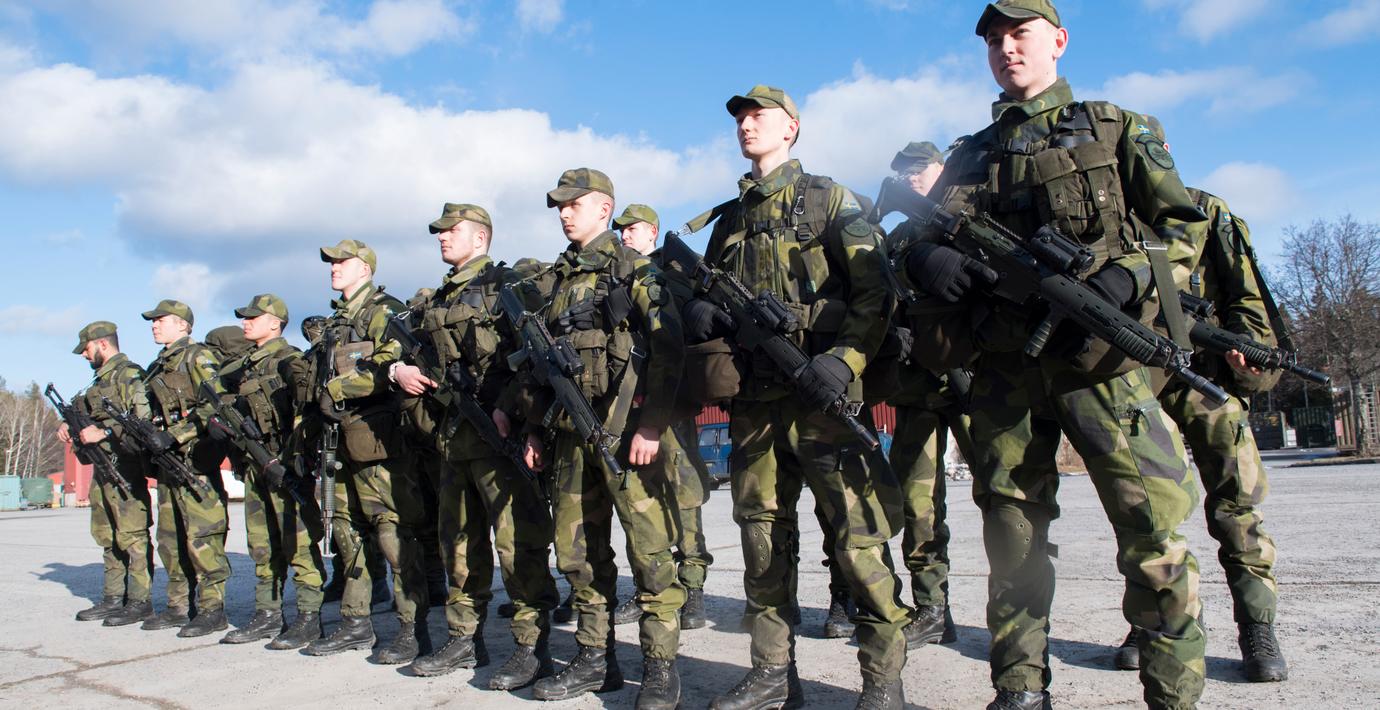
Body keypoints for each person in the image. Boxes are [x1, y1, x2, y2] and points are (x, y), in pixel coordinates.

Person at [895, 3, 1209, 707]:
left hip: (1101, 366)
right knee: (1013, 543)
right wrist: (927, 262)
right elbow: (914, 239)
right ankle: (1018, 689)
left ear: (1059, 41)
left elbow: (1182, 229)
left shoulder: (1116, 127)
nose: (1006, 49)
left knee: (1153, 535)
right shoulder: (970, 153)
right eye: (994, 40)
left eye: (1021, 34)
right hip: (1003, 372)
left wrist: (1132, 274)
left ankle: (1174, 695)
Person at [690, 85, 909, 710]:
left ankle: (882, 681)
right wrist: (703, 313)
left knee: (858, 541)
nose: (747, 125)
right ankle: (772, 675)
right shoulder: (728, 222)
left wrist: (844, 361)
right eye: (740, 118)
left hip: (825, 400)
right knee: (761, 540)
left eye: (759, 116)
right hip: (756, 405)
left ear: (791, 128)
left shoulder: (830, 199)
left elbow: (877, 293)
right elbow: (706, 296)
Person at [517, 169, 686, 709]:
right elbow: (541, 367)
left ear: (604, 208)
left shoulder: (633, 269)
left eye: (574, 204)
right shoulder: (555, 281)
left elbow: (669, 348)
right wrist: (534, 429)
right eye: (559, 207)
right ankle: (595, 659)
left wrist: (652, 424)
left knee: (650, 555)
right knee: (578, 555)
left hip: (627, 436)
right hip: (570, 440)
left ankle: (660, 668)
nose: (565, 214)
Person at [1111, 186, 1289, 682]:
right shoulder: (1110, 210)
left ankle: (1257, 626)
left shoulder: (1205, 210)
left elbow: (1247, 294)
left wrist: (1247, 351)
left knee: (1237, 506)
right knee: (1149, 514)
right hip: (1139, 380)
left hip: (1209, 379)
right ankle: (1160, 618)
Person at [393, 203, 560, 688]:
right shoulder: (435, 299)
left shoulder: (508, 286)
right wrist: (398, 370)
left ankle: (532, 647)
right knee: (459, 545)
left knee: (517, 545)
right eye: (440, 232)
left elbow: (535, 357)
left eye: (452, 230)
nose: (442, 238)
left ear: (480, 237)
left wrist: (521, 419)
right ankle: (464, 638)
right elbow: (401, 350)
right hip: (453, 439)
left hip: (501, 435)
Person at [303, 240, 432, 663]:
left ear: (365, 268)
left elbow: (388, 367)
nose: (334, 268)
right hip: (338, 440)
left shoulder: (384, 312)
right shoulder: (336, 322)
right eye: (331, 263)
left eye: (342, 262)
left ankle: (412, 628)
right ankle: (355, 622)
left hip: (378, 440)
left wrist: (336, 388)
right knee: (346, 530)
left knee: (393, 532)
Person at [880, 141, 977, 648]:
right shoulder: (898, 237)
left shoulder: (972, 220)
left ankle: (1023, 611)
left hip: (974, 381)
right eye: (905, 171)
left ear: (943, 168)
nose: (912, 177)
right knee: (918, 503)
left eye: (920, 168)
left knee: (1008, 497)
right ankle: (932, 607)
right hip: (917, 386)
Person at [609, 202, 715, 632]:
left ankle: (693, 586)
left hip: (670, 403)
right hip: (626, 405)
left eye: (632, 229)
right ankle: (651, 584)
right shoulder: (615, 274)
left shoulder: (673, 270)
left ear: (652, 231)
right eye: (621, 230)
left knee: (684, 493)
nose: (625, 236)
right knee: (640, 500)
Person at [213, 294, 329, 649]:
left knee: (299, 542)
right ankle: (267, 614)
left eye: (254, 317)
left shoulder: (290, 360)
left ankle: (309, 617)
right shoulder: (243, 367)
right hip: (255, 464)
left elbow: (308, 412)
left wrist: (296, 459)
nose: (245, 322)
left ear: (276, 323)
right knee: (261, 544)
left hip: (286, 464)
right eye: (245, 317)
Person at [138, 300, 233, 637]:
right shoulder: (157, 366)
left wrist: (175, 434)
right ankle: (178, 607)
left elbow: (215, 404)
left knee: (202, 538)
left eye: (160, 320)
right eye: (153, 321)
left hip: (195, 462)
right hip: (167, 464)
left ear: (182, 325)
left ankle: (212, 610)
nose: (154, 325)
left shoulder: (198, 357)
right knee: (170, 538)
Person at [59, 321, 156, 627]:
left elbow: (143, 421)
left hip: (125, 468)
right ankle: (114, 598)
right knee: (107, 535)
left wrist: (104, 432)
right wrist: (70, 425)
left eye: (86, 348)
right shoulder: (98, 382)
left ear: (103, 343)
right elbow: (86, 415)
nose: (84, 355)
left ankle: (140, 601)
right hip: (102, 468)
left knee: (132, 536)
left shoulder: (130, 375)